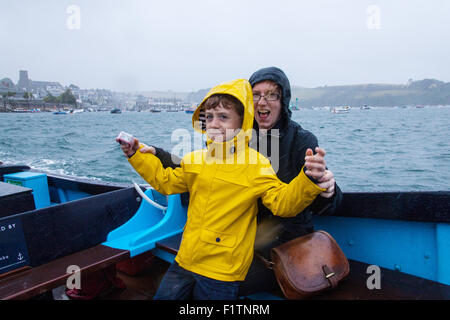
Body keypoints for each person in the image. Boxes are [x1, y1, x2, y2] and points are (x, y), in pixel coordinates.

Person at [138, 67, 343, 296]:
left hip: (281, 241)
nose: (262, 101)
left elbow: (308, 194)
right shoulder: (231, 134)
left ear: (283, 100)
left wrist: (327, 190)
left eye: (272, 95)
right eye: (256, 94)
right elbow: (198, 170)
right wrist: (158, 155)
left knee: (215, 285)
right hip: (235, 239)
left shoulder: (301, 140)